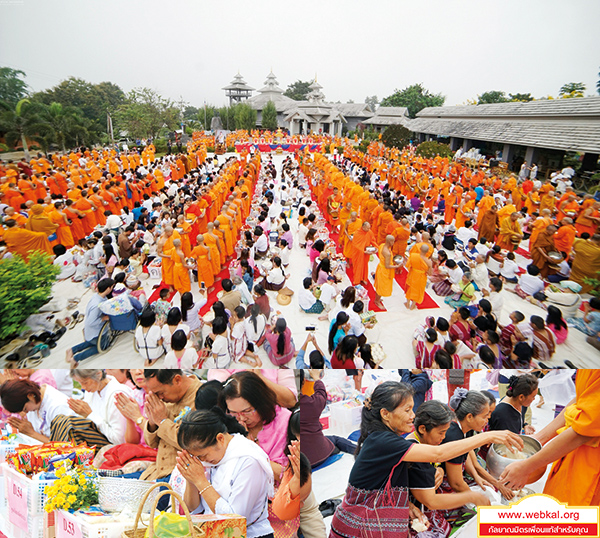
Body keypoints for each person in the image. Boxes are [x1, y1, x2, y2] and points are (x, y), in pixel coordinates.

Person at [330, 382, 523, 538]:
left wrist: (409, 506)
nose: (413, 416)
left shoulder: (385, 438)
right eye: (407, 410)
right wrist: (488, 437)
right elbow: (438, 455)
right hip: (358, 527)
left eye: (412, 409)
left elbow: (383, 482)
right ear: (385, 414)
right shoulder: (383, 441)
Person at [501, 370, 600, 506]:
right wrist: (538, 439)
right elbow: (581, 398)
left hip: (590, 463)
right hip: (571, 454)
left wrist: (527, 466)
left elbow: (584, 430)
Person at [176, 409, 275, 538]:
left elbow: (233, 520)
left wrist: (200, 481)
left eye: (203, 456)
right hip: (210, 532)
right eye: (196, 457)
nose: (202, 461)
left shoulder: (248, 460)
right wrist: (191, 479)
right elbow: (194, 510)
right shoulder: (213, 457)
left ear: (220, 439)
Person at [405, 401, 491, 538]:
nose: (444, 437)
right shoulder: (415, 454)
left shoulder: (423, 442)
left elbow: (437, 461)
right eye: (441, 432)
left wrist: (440, 469)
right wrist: (471, 497)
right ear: (422, 429)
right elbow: (431, 502)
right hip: (414, 506)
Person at [139, 370, 202, 481]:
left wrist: (162, 421)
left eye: (161, 392)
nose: (160, 398)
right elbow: (152, 443)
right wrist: (152, 422)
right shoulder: (165, 398)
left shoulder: (202, 396)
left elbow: (192, 444)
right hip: (156, 472)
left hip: (181, 477)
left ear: (177, 380)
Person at [51, 369, 132, 450]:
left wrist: (90, 414)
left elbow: (119, 439)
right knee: (59, 420)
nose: (83, 387)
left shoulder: (117, 394)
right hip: (98, 440)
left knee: (71, 424)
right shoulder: (91, 392)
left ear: (99, 375)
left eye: (85, 382)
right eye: (80, 383)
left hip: (114, 446)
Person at [0, 378, 75, 443]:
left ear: (30, 396)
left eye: (25, 409)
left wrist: (31, 433)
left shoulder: (58, 406)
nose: (26, 412)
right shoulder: (36, 400)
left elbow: (66, 446)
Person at [66, 278, 114, 365]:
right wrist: (103, 319)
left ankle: (72, 350)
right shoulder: (97, 306)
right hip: (96, 332)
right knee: (102, 346)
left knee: (90, 343)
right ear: (108, 289)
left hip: (90, 333)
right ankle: (76, 358)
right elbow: (91, 322)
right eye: (112, 287)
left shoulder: (96, 297)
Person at [374, 234, 402, 309]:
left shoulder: (382, 245)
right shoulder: (387, 253)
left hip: (381, 267)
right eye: (393, 241)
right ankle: (377, 301)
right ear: (390, 241)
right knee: (381, 287)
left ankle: (378, 299)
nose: (394, 243)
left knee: (380, 285)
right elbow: (387, 266)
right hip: (384, 270)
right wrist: (396, 266)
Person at [405, 244, 433, 310]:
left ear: (420, 249)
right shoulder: (429, 262)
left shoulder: (413, 256)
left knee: (410, 288)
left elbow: (407, 265)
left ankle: (407, 303)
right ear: (427, 251)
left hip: (413, 274)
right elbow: (430, 273)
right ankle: (413, 306)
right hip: (421, 277)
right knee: (418, 291)